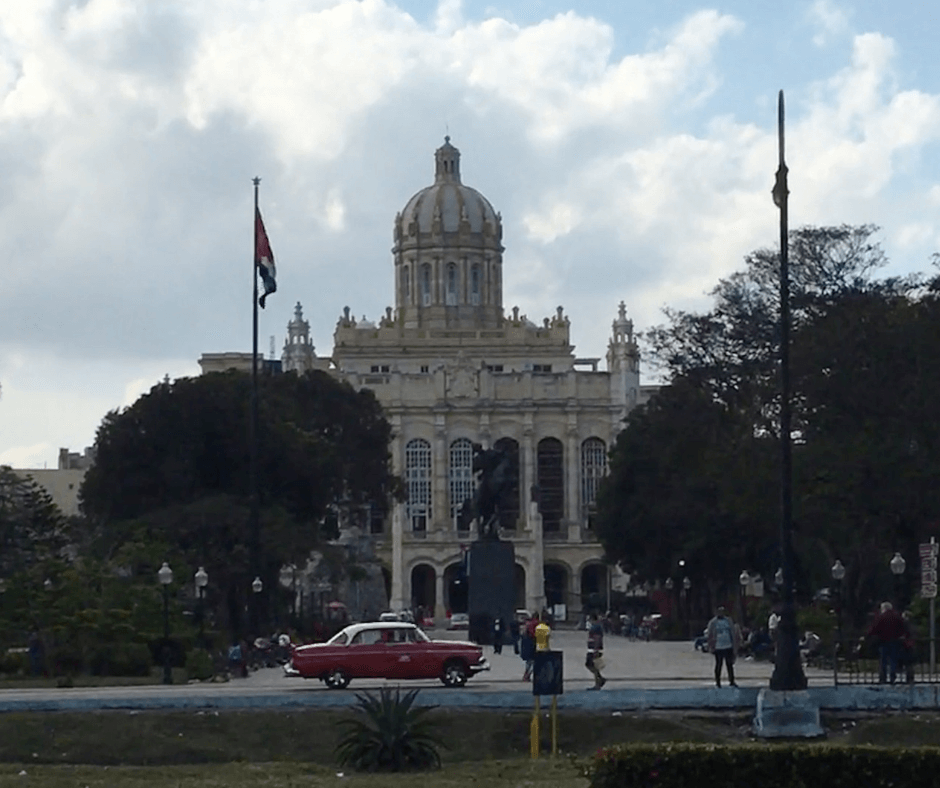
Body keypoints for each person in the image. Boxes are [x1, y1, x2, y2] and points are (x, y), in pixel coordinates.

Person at [866, 601, 907, 684]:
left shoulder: (881, 617)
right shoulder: (897, 617)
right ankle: (892, 676)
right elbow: (903, 627)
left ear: (883, 609)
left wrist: (868, 636)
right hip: (895, 641)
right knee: (893, 659)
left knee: (883, 660)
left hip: (883, 641)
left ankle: (883, 677)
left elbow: (874, 628)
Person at [706, 606, 742, 688]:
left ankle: (732, 681)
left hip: (728, 646)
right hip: (718, 647)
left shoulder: (728, 621)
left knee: (729, 664)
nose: (720, 613)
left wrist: (735, 645)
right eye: (719, 611)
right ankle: (718, 682)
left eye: (722, 611)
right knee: (718, 664)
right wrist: (711, 646)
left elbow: (733, 632)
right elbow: (710, 635)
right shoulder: (713, 622)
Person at [585, 613, 607, 689]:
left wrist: (596, 649)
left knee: (592, 665)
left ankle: (598, 681)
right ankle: (599, 679)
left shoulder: (596, 627)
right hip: (592, 648)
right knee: (591, 665)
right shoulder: (595, 627)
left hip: (593, 649)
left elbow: (597, 638)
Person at [521, 612, 539, 681]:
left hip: (526, 643)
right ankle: (527, 675)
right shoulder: (535, 623)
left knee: (529, 661)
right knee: (534, 661)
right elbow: (533, 634)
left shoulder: (528, 623)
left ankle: (526, 674)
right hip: (532, 643)